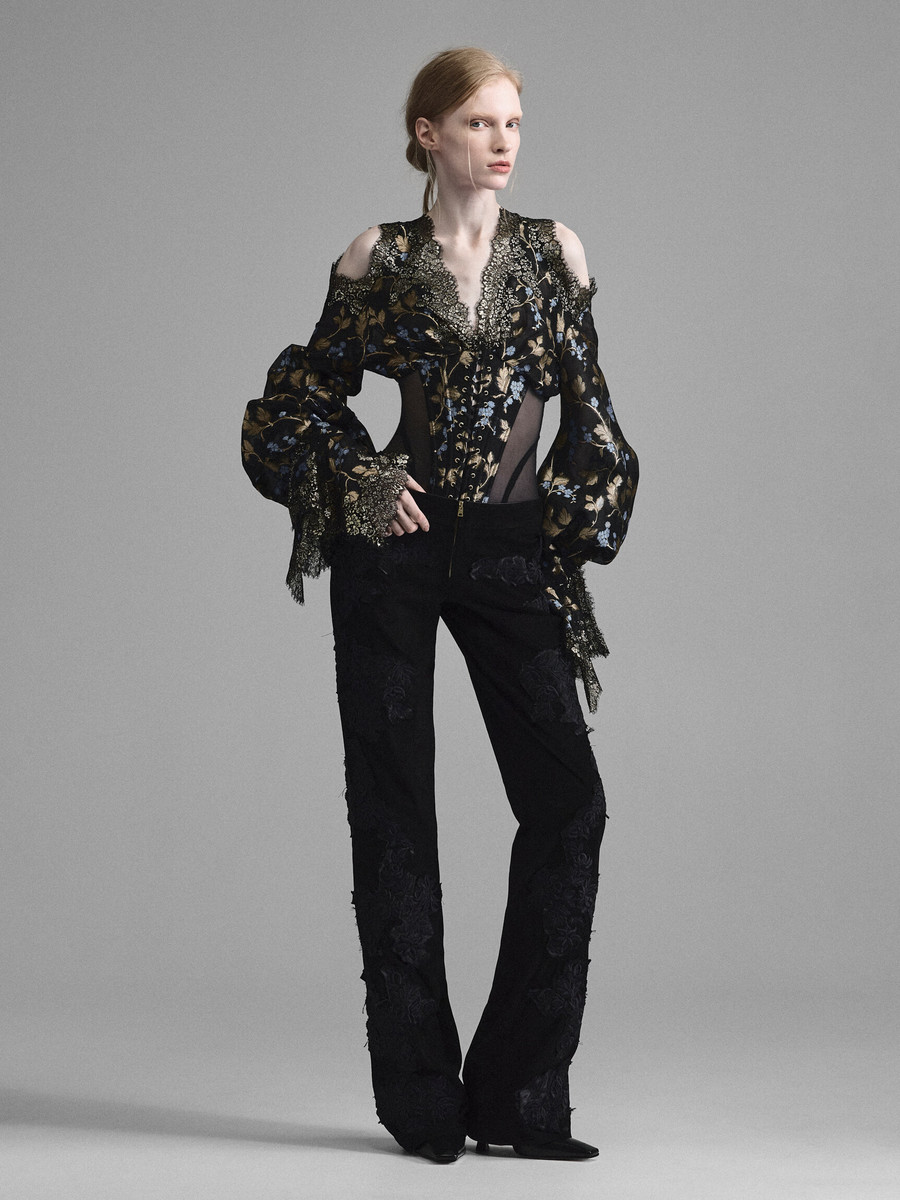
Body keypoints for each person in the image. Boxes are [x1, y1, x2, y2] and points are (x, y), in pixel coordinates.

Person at [242, 46, 638, 1165]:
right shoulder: (377, 257)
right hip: (398, 555)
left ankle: (519, 1093)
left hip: (510, 553)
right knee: (394, 809)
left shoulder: (554, 252)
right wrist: (362, 479)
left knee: (568, 805)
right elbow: (298, 399)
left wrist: (564, 528)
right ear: (427, 134)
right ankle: (421, 1096)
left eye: (513, 123)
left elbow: (590, 411)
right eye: (479, 123)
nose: (503, 143)